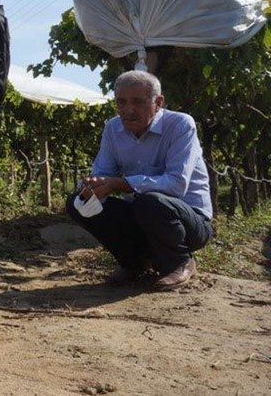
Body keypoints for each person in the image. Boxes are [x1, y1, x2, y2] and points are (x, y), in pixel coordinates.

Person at [67, 70, 213, 289]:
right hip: (143, 216)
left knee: (149, 201)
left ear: (159, 102)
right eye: (121, 102)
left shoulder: (181, 125)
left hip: (189, 223)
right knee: (79, 202)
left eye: (137, 102)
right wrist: (93, 186)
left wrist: (120, 183)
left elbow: (176, 185)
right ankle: (135, 263)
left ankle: (180, 261)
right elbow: (103, 171)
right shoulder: (113, 128)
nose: (128, 110)